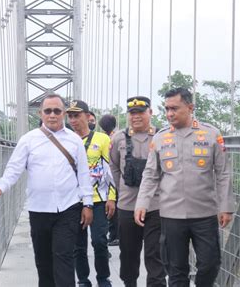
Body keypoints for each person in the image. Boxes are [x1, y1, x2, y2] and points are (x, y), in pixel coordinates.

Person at [0, 93, 93, 287]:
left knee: (64, 257)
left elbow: (83, 174)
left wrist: (88, 204)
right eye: (47, 111)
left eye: (57, 111)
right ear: (40, 113)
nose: (52, 115)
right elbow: (14, 168)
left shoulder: (74, 141)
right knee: (43, 262)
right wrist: (1, 186)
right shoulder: (28, 140)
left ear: (64, 113)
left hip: (68, 208)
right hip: (39, 209)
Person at [134, 87, 235, 287]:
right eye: (166, 109)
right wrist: (142, 203)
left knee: (210, 264)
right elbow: (150, 174)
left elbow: (223, 172)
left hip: (204, 214)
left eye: (174, 108)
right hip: (172, 215)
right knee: (175, 269)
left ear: (190, 108)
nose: (169, 114)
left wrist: (226, 206)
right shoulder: (160, 138)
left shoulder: (211, 134)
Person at [110, 96, 166, 287]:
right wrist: (122, 190)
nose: (136, 117)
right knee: (128, 254)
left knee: (155, 254)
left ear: (150, 112)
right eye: (132, 113)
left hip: (156, 207)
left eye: (141, 112)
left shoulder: (161, 136)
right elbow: (114, 167)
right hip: (127, 206)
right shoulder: (118, 138)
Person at [67, 100, 116, 287]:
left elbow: (111, 171)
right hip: (73, 201)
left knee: (99, 241)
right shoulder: (66, 139)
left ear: (88, 116)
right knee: (78, 246)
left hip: (98, 200)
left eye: (77, 115)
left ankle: (103, 279)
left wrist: (112, 197)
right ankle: (83, 280)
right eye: (70, 116)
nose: (73, 120)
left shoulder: (103, 140)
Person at [98, 114, 119, 246]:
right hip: (117, 178)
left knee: (113, 211)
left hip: (110, 178)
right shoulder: (118, 137)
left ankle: (114, 236)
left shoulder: (107, 139)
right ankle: (114, 235)